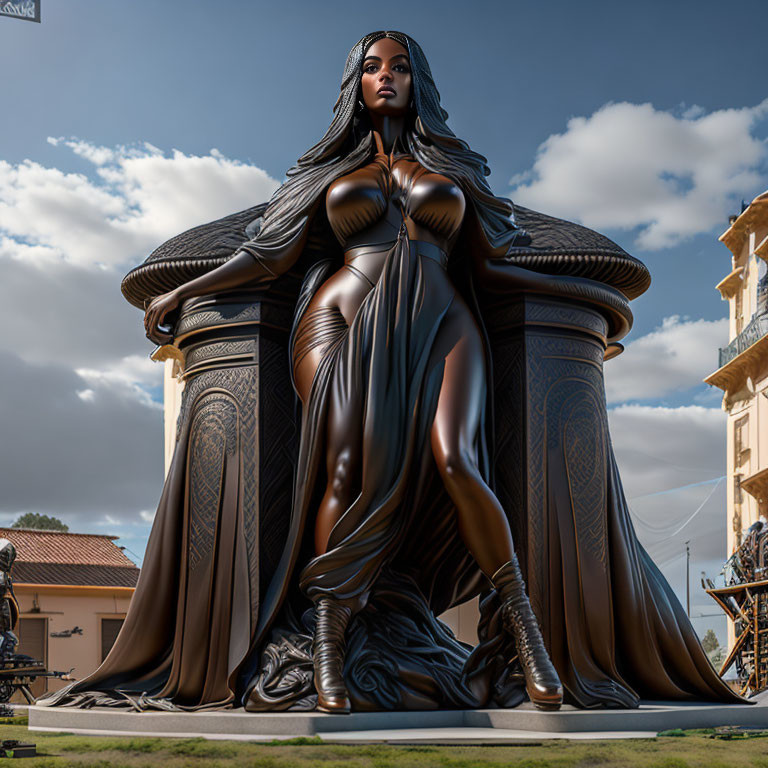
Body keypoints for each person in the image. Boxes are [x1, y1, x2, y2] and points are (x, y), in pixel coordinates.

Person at [143, 30, 562, 713]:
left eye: (399, 67)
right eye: (372, 68)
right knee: (343, 467)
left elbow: (490, 266)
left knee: (458, 459)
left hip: (439, 316)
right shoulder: (327, 175)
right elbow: (268, 255)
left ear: (417, 81)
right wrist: (185, 291)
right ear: (356, 85)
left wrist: (589, 299)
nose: (386, 77)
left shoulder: (455, 170)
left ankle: (525, 636)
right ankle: (329, 646)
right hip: (342, 316)